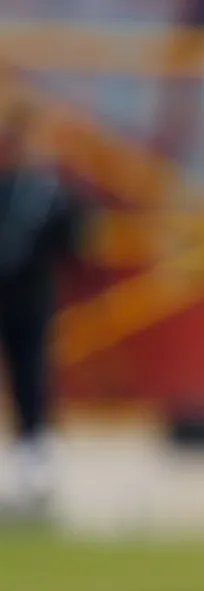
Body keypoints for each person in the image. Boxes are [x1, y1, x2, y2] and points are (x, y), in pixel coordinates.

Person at [0, 98, 84, 516]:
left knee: (30, 381)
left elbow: (72, 243)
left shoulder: (51, 193)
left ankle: (34, 469)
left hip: (30, 301)